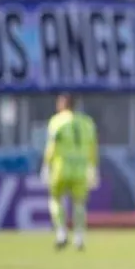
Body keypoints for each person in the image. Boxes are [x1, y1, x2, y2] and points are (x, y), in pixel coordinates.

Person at [41, 93, 99, 250]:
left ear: (62, 104)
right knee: (79, 203)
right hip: (81, 167)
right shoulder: (87, 123)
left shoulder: (57, 121)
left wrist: (46, 165)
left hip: (62, 166)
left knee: (56, 199)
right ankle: (79, 237)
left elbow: (52, 146)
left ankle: (61, 233)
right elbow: (93, 147)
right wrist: (93, 167)